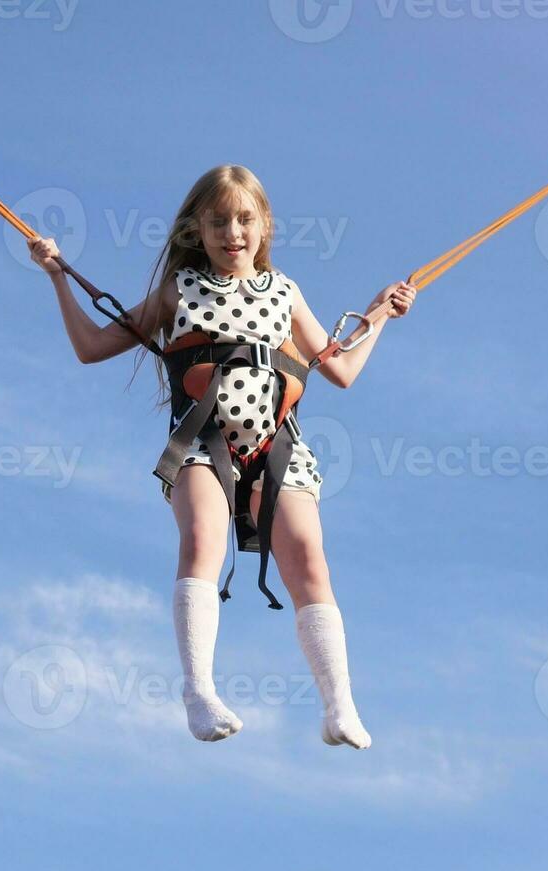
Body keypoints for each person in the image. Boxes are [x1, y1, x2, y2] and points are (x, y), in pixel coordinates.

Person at [30, 165, 414, 748]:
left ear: (263, 226)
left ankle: (339, 706)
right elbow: (91, 347)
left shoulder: (284, 291)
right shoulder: (177, 291)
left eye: (243, 219)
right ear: (198, 229)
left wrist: (379, 313)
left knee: (309, 556)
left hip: (276, 445)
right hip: (202, 443)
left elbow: (340, 368)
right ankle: (199, 692)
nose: (232, 232)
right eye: (218, 221)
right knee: (204, 540)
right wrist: (58, 276)